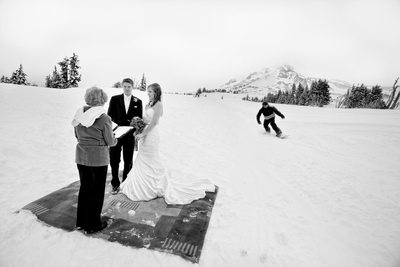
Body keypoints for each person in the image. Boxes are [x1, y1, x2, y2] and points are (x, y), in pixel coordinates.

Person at [120, 83, 215, 205]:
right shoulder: (148, 104)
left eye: (150, 91)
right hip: (144, 133)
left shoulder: (159, 105)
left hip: (152, 135)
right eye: (148, 91)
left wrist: (143, 134)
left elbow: (153, 123)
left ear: (156, 93)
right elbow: (145, 120)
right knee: (142, 158)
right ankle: (138, 184)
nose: (148, 93)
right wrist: (137, 126)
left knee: (150, 158)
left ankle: (153, 186)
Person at [72, 87, 118, 234]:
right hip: (98, 159)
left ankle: (81, 222)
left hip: (81, 156)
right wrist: (116, 138)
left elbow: (77, 135)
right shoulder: (104, 118)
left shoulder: (79, 115)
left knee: (85, 189)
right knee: (97, 192)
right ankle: (92, 225)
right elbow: (110, 141)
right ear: (101, 100)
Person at [108, 78, 143, 194]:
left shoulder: (138, 102)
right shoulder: (114, 99)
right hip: (116, 135)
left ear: (132, 87)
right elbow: (109, 117)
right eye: (125, 86)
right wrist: (113, 130)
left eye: (129, 87)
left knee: (128, 160)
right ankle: (115, 183)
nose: (127, 89)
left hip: (129, 135)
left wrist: (136, 129)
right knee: (114, 159)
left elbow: (139, 120)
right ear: (122, 87)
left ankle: (126, 183)